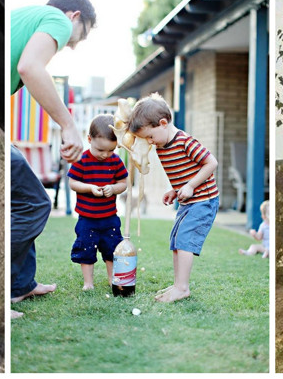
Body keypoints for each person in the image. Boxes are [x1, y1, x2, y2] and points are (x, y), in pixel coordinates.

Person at [10, 0, 95, 318]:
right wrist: (69, 125)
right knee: (35, 202)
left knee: (26, 200)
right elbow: (30, 67)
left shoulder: (25, 19)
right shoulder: (56, 19)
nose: (73, 45)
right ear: (74, 16)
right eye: (81, 35)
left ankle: (21, 285)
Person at [128, 93, 220, 303]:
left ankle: (182, 288)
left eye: (150, 136)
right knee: (177, 240)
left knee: (186, 239)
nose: (150, 142)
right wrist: (175, 189)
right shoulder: (162, 145)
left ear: (163, 123)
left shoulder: (185, 141)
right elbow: (183, 170)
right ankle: (179, 284)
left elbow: (211, 163)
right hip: (188, 200)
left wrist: (189, 185)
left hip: (203, 200)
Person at [67, 115, 129, 290]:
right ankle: (88, 283)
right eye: (100, 150)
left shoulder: (116, 161)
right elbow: (73, 183)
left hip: (109, 217)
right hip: (87, 218)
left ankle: (112, 279)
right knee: (86, 249)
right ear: (89, 139)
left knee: (112, 249)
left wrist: (113, 188)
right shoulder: (82, 159)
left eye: (111, 150)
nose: (105, 155)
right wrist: (89, 188)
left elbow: (123, 183)